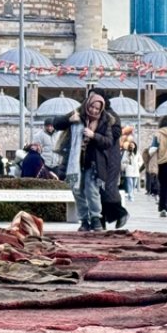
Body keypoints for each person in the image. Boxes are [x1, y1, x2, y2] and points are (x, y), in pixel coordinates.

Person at [53, 88, 125, 231]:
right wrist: (69, 120)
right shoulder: (77, 114)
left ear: (101, 108)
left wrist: (94, 136)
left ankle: (96, 218)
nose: (93, 110)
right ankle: (84, 220)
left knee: (92, 190)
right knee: (77, 191)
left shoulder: (106, 120)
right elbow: (56, 123)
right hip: (76, 162)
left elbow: (108, 141)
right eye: (91, 106)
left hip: (94, 162)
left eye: (96, 108)